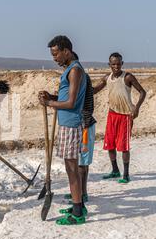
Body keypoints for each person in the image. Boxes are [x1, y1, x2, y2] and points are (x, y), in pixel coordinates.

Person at [39, 36, 87, 225]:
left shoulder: (75, 70)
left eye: (56, 53)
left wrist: (49, 103)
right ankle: (78, 204)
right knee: (71, 168)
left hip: (72, 124)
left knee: (71, 169)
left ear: (66, 51)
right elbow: (65, 96)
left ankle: (77, 213)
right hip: (67, 123)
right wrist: (51, 96)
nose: (54, 58)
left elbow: (71, 102)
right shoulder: (70, 69)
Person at [93, 52, 147, 184]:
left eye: (118, 64)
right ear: (109, 65)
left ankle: (126, 175)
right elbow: (94, 90)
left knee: (123, 146)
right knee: (110, 144)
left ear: (122, 64)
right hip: (112, 115)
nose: (116, 66)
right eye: (113, 64)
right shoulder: (107, 78)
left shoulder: (128, 77)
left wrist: (137, 107)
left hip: (126, 116)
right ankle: (115, 170)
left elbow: (142, 92)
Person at [62, 52, 99, 207]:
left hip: (84, 123)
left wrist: (51, 102)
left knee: (82, 163)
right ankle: (78, 192)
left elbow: (77, 102)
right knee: (78, 162)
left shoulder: (79, 75)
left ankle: (82, 194)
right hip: (81, 122)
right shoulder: (76, 75)